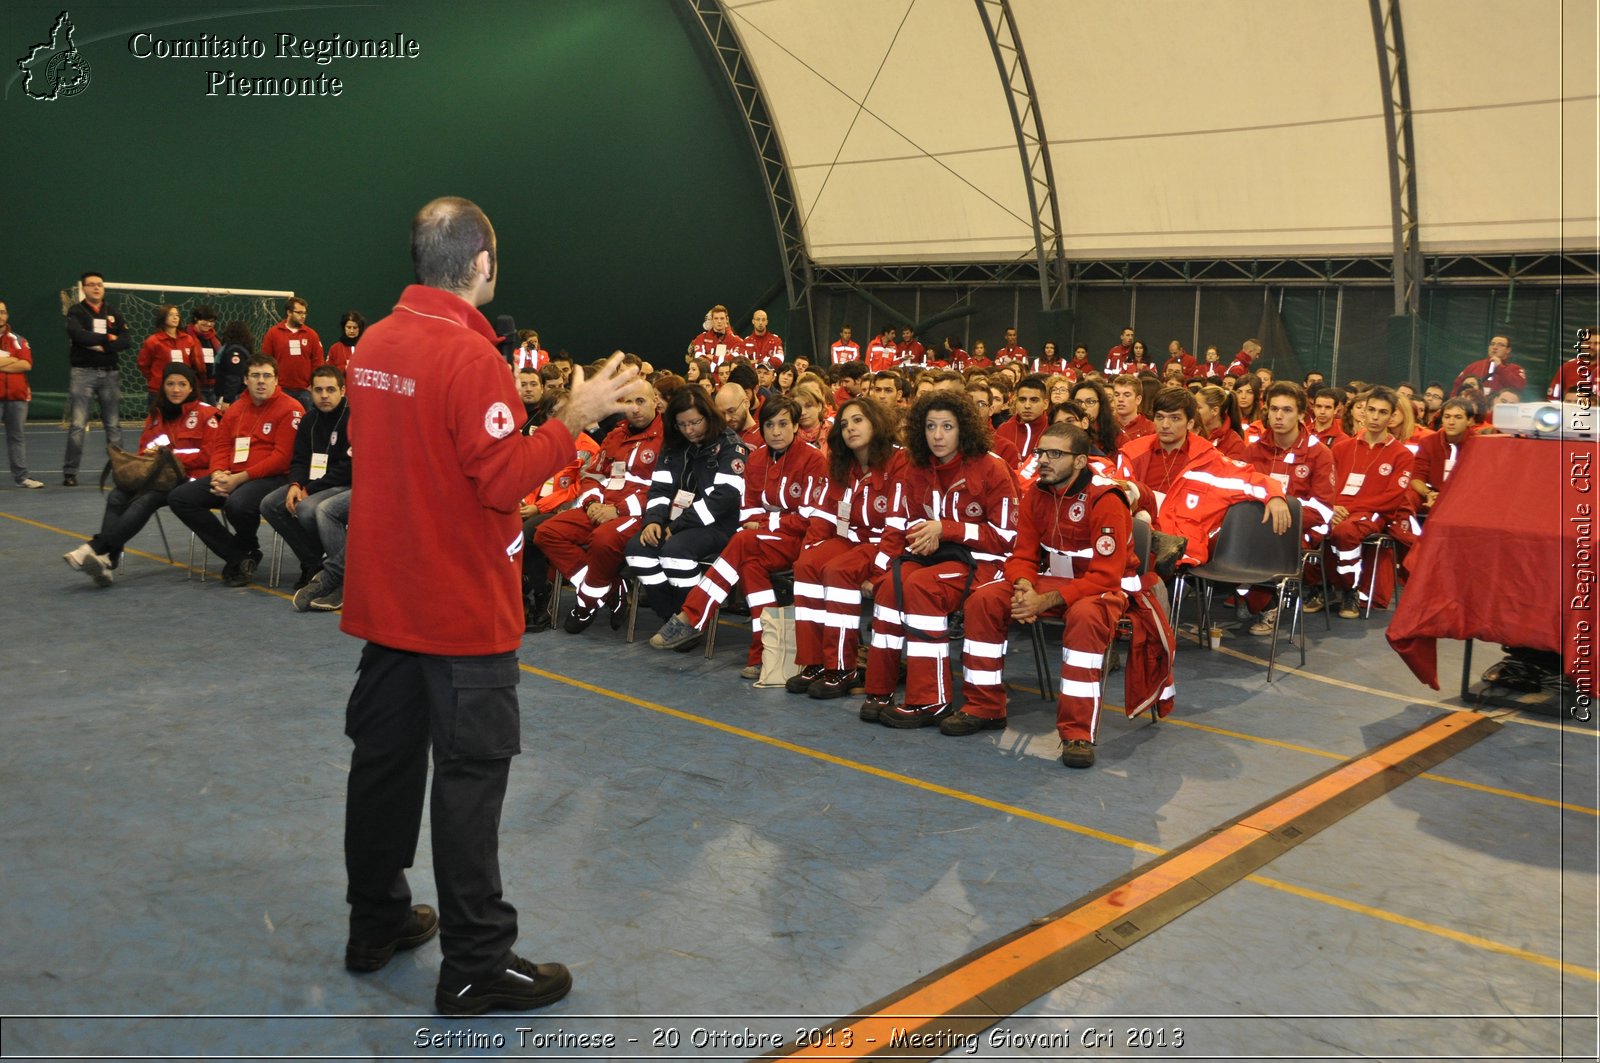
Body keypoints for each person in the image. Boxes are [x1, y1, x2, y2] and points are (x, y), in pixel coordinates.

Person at [339, 196, 639, 1018]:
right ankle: (475, 958)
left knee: (385, 761)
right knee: (470, 779)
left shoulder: (374, 344)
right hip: (459, 606)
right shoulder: (470, 359)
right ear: (481, 263)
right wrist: (570, 422)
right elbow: (502, 481)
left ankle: (376, 921)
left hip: (388, 598)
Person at [955, 424, 1175, 764]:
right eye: (1041, 452)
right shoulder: (1037, 494)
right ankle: (983, 707)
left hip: (1103, 588)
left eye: (1055, 454)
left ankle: (1077, 734)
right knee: (983, 600)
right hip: (1049, 581)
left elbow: (1106, 575)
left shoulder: (1106, 498)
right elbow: (1023, 555)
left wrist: (1044, 601)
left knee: (1086, 617)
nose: (1044, 460)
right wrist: (1024, 588)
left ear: (1080, 461)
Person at [860, 390, 1017, 727]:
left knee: (921, 587)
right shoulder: (914, 468)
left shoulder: (993, 468)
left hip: (984, 562)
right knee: (889, 586)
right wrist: (884, 564)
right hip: (932, 558)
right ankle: (879, 688)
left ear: (964, 430)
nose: (938, 435)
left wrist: (947, 529)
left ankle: (930, 699)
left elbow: (1005, 539)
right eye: (931, 426)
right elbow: (900, 523)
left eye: (947, 426)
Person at [649, 396, 826, 673]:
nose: (776, 431)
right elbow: (747, 512)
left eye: (783, 424)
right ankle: (764, 655)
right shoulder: (755, 459)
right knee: (750, 567)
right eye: (769, 425)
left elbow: (808, 519)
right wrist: (770, 523)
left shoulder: (814, 460)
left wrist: (767, 523)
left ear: (795, 427)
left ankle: (692, 616)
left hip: (802, 543)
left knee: (742, 541)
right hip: (761, 543)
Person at [788, 398, 907, 699]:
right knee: (807, 566)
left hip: (887, 544)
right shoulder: (842, 464)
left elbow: (898, 525)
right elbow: (825, 513)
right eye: (844, 424)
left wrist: (879, 571)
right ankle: (815, 661)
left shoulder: (900, 461)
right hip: (853, 540)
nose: (850, 428)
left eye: (858, 420)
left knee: (838, 571)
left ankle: (843, 667)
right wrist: (810, 548)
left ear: (876, 422)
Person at [64, 363, 219, 584]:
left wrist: (169, 457)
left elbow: (210, 455)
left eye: (182, 384)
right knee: (117, 496)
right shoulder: (155, 416)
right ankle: (108, 561)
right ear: (163, 386)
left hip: (190, 480)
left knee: (146, 499)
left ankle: (97, 547)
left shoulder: (207, 413)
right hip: (158, 476)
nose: (176, 389)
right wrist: (152, 456)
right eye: (171, 384)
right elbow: (143, 451)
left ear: (191, 387)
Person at [533, 378, 663, 633]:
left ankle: (586, 604)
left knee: (603, 540)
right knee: (547, 533)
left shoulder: (668, 439)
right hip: (601, 505)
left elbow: (661, 490)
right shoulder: (615, 435)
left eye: (641, 401)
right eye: (628, 402)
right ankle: (612, 588)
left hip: (636, 512)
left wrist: (618, 510)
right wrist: (593, 502)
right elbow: (593, 475)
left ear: (655, 402)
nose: (634, 408)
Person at [167, 354, 303, 587]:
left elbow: (282, 459)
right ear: (245, 380)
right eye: (255, 376)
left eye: (267, 376)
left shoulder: (291, 409)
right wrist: (219, 472)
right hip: (232, 476)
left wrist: (239, 478)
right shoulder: (236, 408)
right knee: (180, 498)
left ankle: (244, 549)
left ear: (276, 380)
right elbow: (221, 445)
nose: (261, 381)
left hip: (272, 478)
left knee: (237, 504)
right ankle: (239, 555)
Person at [1116, 387, 1290, 568]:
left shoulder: (1208, 459)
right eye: (1160, 417)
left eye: (1175, 418)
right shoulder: (1133, 453)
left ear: (1190, 423)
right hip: (1137, 540)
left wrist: (1274, 495)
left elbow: (1250, 479)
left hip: (1182, 548)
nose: (1165, 425)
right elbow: (1119, 495)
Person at [623, 387, 747, 622]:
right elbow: (659, 489)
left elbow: (724, 499)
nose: (689, 430)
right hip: (676, 522)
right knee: (637, 550)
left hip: (716, 524)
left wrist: (677, 525)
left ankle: (691, 619)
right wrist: (653, 521)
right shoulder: (673, 445)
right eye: (682, 424)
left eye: (695, 422)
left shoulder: (730, 445)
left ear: (708, 415)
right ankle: (671, 616)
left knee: (675, 552)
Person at [1243, 382, 1336, 626]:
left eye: (1287, 410)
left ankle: (1264, 600)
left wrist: (1284, 516)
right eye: (1274, 409)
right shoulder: (1253, 450)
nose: (1278, 416)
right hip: (1257, 526)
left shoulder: (1319, 454)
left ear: (1302, 415)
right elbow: (1240, 492)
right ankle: (1256, 596)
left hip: (1302, 529)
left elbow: (1323, 510)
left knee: (1261, 544)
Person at [1325, 386, 1415, 618]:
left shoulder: (1401, 454)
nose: (1375, 417)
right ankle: (1316, 587)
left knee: (1345, 531)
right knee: (1307, 523)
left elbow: (1393, 497)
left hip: (1374, 513)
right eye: (1371, 410)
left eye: (1382, 412)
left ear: (1392, 416)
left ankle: (1349, 591)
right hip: (1338, 508)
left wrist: (1350, 509)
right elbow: (1327, 484)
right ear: (1363, 412)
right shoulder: (1342, 447)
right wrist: (1332, 507)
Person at [260, 364, 351, 590]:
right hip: (312, 483)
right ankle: (315, 565)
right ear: (310, 390)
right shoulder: (308, 420)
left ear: (343, 390)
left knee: (308, 508)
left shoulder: (353, 420)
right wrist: (295, 484)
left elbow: (348, 468)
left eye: (330, 390)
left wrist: (309, 489)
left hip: (345, 485)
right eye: (318, 390)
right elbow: (299, 459)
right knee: (270, 504)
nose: (324, 395)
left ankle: (342, 576)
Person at [63, 271, 132, 487]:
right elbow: (78, 335)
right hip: (83, 374)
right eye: (91, 285)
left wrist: (103, 343)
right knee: (77, 424)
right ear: (83, 288)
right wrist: (107, 338)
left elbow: (126, 340)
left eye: (99, 284)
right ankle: (70, 472)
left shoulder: (112, 312)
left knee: (113, 425)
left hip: (110, 373)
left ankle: (120, 471)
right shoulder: (76, 311)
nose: (96, 288)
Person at [0, 301, 42, 488]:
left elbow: (26, 364)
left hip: (17, 398)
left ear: (7, 315)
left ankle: (22, 478)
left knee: (16, 437)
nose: (0, 315)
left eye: (2, 312)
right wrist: (12, 360)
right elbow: (18, 362)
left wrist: (7, 362)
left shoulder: (18, 339)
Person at [261, 296, 324, 409]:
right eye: (299, 312)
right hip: (280, 389)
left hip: (305, 391)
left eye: (304, 313)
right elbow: (265, 361)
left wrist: (313, 385)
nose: (303, 316)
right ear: (289, 312)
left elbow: (318, 362)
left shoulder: (311, 334)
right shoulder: (273, 333)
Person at [135, 304, 202, 401]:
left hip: (183, 390)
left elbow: (193, 363)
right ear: (163, 318)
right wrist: (156, 378)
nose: (175, 317)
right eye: (171, 315)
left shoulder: (188, 339)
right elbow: (143, 364)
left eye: (177, 315)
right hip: (159, 389)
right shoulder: (153, 341)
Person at [1451, 334, 1526, 396]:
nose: (1495, 347)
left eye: (1500, 345)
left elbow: (1518, 387)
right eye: (1492, 344)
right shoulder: (1473, 367)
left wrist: (1500, 367)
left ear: (1508, 350)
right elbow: (1457, 387)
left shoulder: (1516, 369)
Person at [1195, 384, 1247, 461]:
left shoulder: (1235, 443)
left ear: (1215, 411)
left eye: (1198, 408)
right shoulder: (1190, 432)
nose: (1194, 411)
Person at [213, 321, 254, 412]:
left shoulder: (235, 351)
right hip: (234, 394)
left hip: (232, 396)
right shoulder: (240, 349)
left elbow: (234, 377)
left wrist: (227, 400)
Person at [1549, 330, 1597, 401]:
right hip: (1571, 411)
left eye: (1597, 343)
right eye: (1588, 343)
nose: (1592, 346)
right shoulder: (1567, 367)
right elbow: (1553, 397)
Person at [187, 305, 221, 402]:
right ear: (196, 319)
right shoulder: (186, 337)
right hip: (195, 387)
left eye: (212, 321)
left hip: (213, 386)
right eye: (205, 320)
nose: (209, 324)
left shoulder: (215, 338)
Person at [714, 381, 762, 448]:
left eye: (731, 411)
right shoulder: (719, 436)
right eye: (722, 414)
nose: (727, 418)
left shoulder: (763, 435)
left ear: (746, 403)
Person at [1109, 374, 1153, 448]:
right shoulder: (1104, 426)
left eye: (1127, 395)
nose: (1120, 399)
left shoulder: (1151, 429)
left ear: (1138, 400)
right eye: (1116, 395)